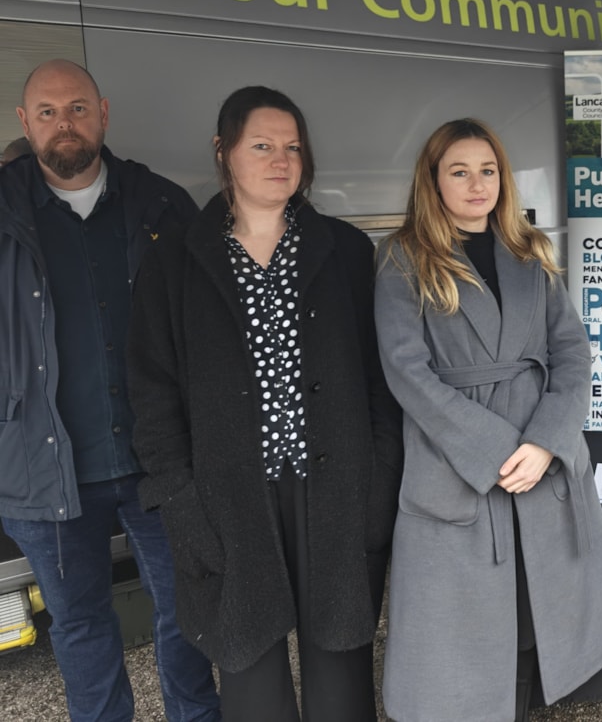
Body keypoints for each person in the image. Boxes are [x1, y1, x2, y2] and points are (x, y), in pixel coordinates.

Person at [126, 86, 403, 721]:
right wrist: (182, 504)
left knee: (342, 680)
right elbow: (154, 399)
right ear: (222, 151)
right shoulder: (173, 264)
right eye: (262, 146)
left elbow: (381, 383)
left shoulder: (345, 252)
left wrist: (379, 481)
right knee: (251, 679)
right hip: (229, 499)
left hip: (334, 492)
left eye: (292, 147)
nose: (281, 160)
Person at [0, 59, 218, 721]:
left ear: (103, 112)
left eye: (76, 108)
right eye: (47, 111)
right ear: (24, 122)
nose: (63, 124)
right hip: (44, 473)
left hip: (160, 459)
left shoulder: (160, 205)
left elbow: (207, 325)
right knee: (79, 625)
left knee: (187, 612)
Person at [375, 118, 602, 722]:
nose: (477, 184)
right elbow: (408, 374)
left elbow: (573, 354)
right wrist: (497, 450)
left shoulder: (531, 250)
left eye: (488, 171)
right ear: (434, 180)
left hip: (541, 462)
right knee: (462, 644)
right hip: (460, 466)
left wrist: (545, 444)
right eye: (460, 171)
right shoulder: (404, 257)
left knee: (533, 627)